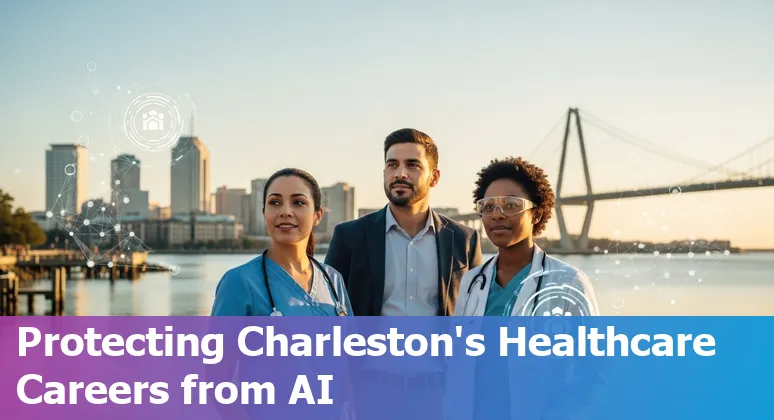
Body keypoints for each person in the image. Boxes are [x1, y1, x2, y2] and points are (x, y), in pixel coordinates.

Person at [324, 128, 483, 420]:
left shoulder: (464, 239)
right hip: (368, 393)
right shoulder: (349, 236)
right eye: (392, 164)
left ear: (434, 177)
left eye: (412, 165)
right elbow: (329, 316)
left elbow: (475, 318)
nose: (400, 173)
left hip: (441, 394)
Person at [447, 156, 601, 420]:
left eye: (511, 205)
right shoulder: (473, 281)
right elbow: (459, 366)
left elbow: (592, 373)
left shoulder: (568, 282)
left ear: (537, 214)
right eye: (488, 206)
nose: (497, 214)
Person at [211, 167, 353, 317]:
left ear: (317, 215)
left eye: (298, 202)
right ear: (264, 213)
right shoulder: (239, 282)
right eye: (275, 202)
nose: (285, 211)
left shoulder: (333, 280)